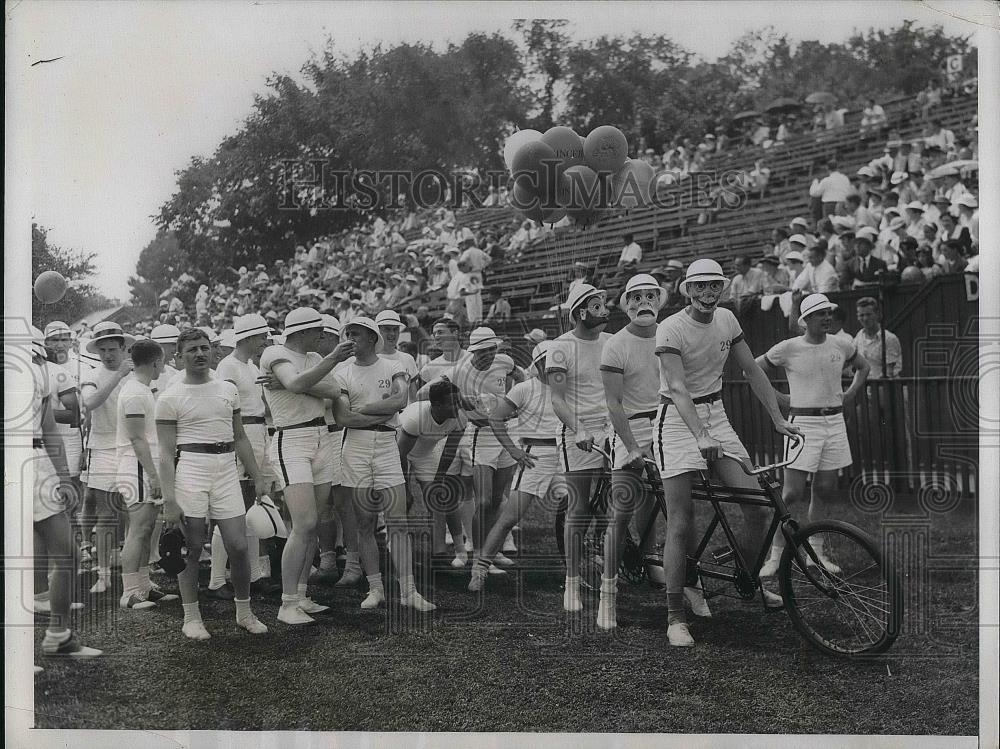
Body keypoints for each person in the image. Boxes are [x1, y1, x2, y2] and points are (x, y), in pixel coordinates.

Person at [653, 259, 800, 646]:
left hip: (716, 414)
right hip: (675, 421)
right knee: (681, 520)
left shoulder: (728, 320)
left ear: (723, 288)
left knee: (759, 506)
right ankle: (674, 616)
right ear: (687, 289)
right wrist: (700, 435)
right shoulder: (670, 328)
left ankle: (746, 577)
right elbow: (678, 388)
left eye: (714, 287)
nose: (707, 294)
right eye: (699, 287)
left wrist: (778, 419)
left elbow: (752, 371)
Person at [156, 328, 269, 639]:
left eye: (204, 348)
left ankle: (244, 612)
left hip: (226, 469)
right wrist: (169, 499)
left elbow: (241, 437)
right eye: (191, 349)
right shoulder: (169, 397)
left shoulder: (227, 390)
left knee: (239, 544)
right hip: (191, 469)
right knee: (192, 548)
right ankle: (191, 617)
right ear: (178, 357)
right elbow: (165, 454)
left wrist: (258, 477)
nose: (200, 354)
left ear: (214, 351)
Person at [596, 275, 689, 631]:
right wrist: (632, 446)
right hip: (629, 429)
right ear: (626, 304)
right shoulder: (616, 345)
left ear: (660, 300)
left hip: (668, 424)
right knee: (622, 512)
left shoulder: (670, 335)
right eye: (636, 297)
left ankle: (684, 583)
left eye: (650, 295)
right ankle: (608, 594)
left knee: (677, 508)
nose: (643, 302)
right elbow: (613, 403)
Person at [756, 294, 870, 576]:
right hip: (802, 426)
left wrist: (850, 394)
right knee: (792, 493)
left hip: (834, 423)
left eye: (828, 313)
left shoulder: (842, 343)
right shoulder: (788, 347)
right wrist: (780, 398)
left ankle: (816, 554)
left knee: (824, 490)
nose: (826, 318)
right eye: (820, 314)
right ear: (805, 319)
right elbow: (754, 369)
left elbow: (863, 367)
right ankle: (776, 555)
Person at [332, 317, 436, 611]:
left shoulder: (393, 366)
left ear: (372, 337)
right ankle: (375, 588)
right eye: (348, 333)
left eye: (356, 334)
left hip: (387, 447)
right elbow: (343, 418)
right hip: (355, 447)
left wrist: (364, 409)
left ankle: (409, 591)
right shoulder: (342, 372)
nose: (350, 338)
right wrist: (381, 412)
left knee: (398, 521)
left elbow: (401, 400)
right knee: (364, 522)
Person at [258, 307, 354, 624]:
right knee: (305, 523)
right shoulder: (275, 352)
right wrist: (325, 366)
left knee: (312, 524)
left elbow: (333, 391)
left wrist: (298, 383)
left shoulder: (313, 359)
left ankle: (300, 596)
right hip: (291, 440)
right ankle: (287, 605)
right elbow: (299, 383)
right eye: (318, 332)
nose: (322, 337)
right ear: (300, 332)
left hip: (320, 438)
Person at [417, 327, 524, 570]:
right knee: (483, 501)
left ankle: (491, 551)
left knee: (497, 499)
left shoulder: (504, 361)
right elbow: (425, 392)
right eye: (484, 351)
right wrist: (462, 402)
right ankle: (478, 558)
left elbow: (520, 376)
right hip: (480, 435)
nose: (489, 354)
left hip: (507, 432)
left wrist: (517, 402)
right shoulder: (459, 371)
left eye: (492, 349)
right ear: (474, 351)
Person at [31, 327, 103, 663]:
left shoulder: (42, 373)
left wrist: (64, 478)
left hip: (36, 463)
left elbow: (48, 430)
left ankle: (58, 636)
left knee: (69, 555)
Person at [466, 342, 561, 593]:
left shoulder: (570, 386)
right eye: (549, 361)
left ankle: (585, 570)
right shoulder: (524, 388)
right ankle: (480, 568)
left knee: (580, 511)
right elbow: (495, 418)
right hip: (535, 456)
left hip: (566, 454)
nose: (556, 366)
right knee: (510, 517)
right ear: (539, 364)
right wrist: (513, 450)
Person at [547, 283, 612, 612]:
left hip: (613, 430)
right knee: (579, 508)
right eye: (595, 304)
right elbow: (557, 399)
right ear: (580, 312)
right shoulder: (560, 347)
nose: (603, 308)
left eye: (603, 302)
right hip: (578, 432)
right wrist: (580, 428)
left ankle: (621, 570)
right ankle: (571, 583)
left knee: (624, 504)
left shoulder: (613, 343)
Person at [214, 314, 280, 597]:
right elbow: (226, 410)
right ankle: (217, 580)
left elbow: (261, 405)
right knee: (234, 508)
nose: (265, 341)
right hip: (239, 436)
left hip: (259, 432)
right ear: (249, 338)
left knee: (254, 504)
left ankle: (254, 576)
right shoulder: (227, 366)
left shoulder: (251, 366)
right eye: (262, 336)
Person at [115, 339, 178, 609]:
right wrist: (153, 475)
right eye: (161, 363)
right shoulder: (134, 393)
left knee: (147, 528)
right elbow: (137, 439)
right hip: (137, 466)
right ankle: (129, 592)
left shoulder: (141, 389)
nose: (162, 368)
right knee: (138, 530)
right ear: (155, 362)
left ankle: (143, 585)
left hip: (144, 466)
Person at [79, 321, 136, 594]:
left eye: (113, 349)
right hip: (102, 449)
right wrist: (118, 375)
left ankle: (139, 575)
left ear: (124, 348)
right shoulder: (92, 374)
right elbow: (89, 403)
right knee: (106, 514)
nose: (108, 355)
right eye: (103, 350)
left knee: (137, 513)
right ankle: (103, 575)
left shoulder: (137, 374)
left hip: (133, 447)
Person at [396, 380, 469, 565]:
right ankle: (394, 545)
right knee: (402, 501)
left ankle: (441, 553)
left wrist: (438, 480)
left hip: (427, 451)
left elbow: (449, 451)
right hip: (396, 452)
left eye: (458, 401)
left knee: (440, 497)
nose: (458, 406)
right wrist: (406, 489)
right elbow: (400, 454)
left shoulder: (460, 418)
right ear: (437, 405)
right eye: (453, 403)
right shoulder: (416, 418)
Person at [853, 297, 902, 378]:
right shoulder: (858, 338)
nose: (865, 319)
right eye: (861, 315)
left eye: (868, 314)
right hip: (866, 387)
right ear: (858, 317)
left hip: (888, 387)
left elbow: (889, 372)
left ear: (877, 314)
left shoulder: (889, 338)